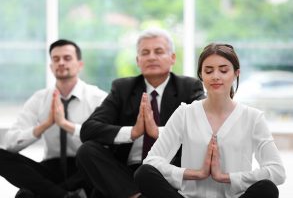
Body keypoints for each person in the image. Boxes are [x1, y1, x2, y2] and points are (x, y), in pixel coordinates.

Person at [135, 43, 286, 198]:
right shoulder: (185, 113)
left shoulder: (253, 118)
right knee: (144, 173)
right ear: (201, 75)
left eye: (223, 70)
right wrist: (194, 174)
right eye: (208, 71)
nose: (215, 76)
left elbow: (277, 172)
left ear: (236, 73)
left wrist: (227, 178)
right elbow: (151, 161)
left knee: (268, 188)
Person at [76, 28, 205, 198]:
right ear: (138, 60)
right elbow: (88, 130)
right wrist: (132, 132)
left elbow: (203, 125)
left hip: (167, 170)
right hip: (125, 173)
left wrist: (158, 132)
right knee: (87, 150)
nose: (151, 57)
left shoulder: (189, 87)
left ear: (172, 58)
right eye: (145, 52)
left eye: (158, 51)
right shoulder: (123, 88)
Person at [0, 39, 107, 198]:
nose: (61, 63)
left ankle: (57, 193)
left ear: (80, 64)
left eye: (67, 58)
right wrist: (44, 126)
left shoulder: (97, 98)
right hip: (51, 168)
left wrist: (65, 124)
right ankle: (62, 195)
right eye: (56, 59)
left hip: (85, 169)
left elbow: (107, 142)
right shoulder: (39, 99)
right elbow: (9, 144)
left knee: (101, 170)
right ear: (51, 67)